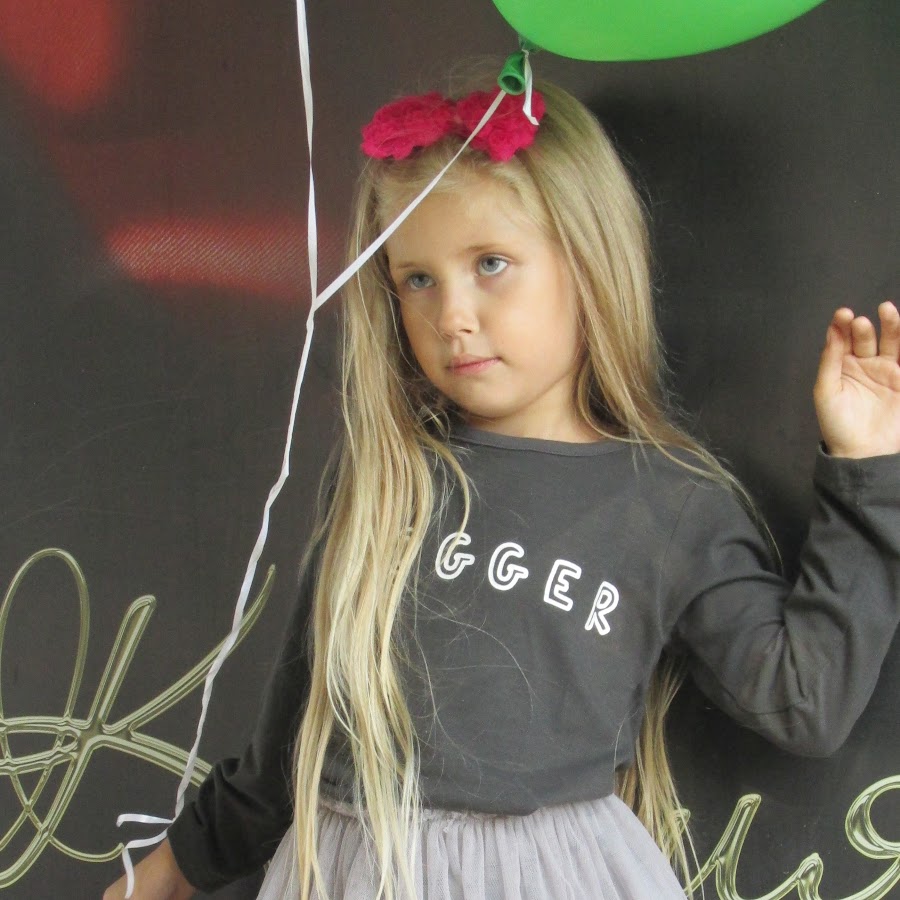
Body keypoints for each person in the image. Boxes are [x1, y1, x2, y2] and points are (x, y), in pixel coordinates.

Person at [103, 75, 900, 900]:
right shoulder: (386, 481)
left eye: (491, 264)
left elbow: (805, 701)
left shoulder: (669, 505)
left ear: (588, 262)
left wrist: (868, 473)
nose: (452, 316)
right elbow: (291, 743)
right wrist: (171, 870)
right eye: (418, 279)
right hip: (354, 873)